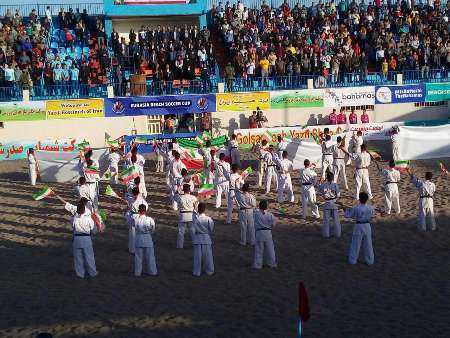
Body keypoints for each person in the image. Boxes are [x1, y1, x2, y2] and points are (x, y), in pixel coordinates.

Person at [55, 194, 98, 278]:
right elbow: (94, 230)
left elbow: (72, 226)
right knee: (89, 257)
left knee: (78, 258)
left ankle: (80, 274)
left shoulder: (74, 219)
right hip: (86, 238)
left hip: (77, 239)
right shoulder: (89, 216)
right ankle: (93, 272)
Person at [345, 192, 375, 265]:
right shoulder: (370, 207)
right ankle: (370, 261)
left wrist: (346, 210)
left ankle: (353, 260)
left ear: (359, 199)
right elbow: (372, 215)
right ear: (367, 199)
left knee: (355, 243)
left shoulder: (356, 208)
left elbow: (349, 216)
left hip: (358, 226)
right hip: (367, 226)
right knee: (368, 244)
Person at [132, 204, 157, 276]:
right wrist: (149, 233)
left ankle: (137, 272)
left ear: (138, 211)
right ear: (145, 211)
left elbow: (131, 225)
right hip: (147, 239)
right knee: (150, 257)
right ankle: (152, 272)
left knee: (138, 258)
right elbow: (153, 229)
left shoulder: (135, 219)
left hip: (138, 239)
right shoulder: (150, 219)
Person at [190, 202, 214, 276]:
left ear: (198, 209)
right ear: (205, 209)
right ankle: (209, 270)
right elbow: (211, 229)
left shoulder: (194, 219)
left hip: (197, 238)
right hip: (206, 238)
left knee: (197, 257)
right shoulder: (208, 219)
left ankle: (196, 272)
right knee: (208, 256)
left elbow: (192, 230)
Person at [253, 200, 277, 269]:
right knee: (270, 249)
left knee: (259, 249)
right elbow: (274, 224)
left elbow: (255, 210)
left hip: (259, 233)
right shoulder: (270, 215)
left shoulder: (256, 214)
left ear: (259, 206)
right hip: (268, 232)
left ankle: (257, 265)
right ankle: (272, 263)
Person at [174, 184, 198, 248]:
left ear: (183, 190)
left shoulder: (180, 197)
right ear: (189, 190)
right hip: (191, 215)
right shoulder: (193, 197)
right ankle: (195, 244)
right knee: (193, 231)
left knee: (181, 232)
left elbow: (174, 196)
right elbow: (196, 206)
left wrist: (177, 190)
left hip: (182, 215)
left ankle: (179, 246)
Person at [318, 172, 341, 238]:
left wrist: (320, 182)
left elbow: (319, 192)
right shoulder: (335, 185)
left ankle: (326, 234)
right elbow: (338, 195)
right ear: (333, 178)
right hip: (334, 203)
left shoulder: (323, 185)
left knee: (326, 221)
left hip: (327, 204)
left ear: (327, 178)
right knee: (336, 220)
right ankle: (338, 234)